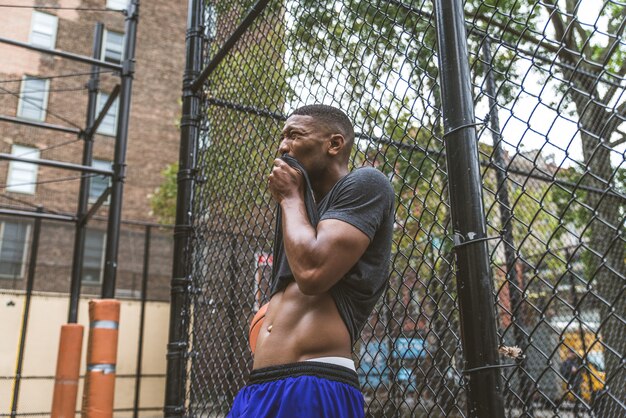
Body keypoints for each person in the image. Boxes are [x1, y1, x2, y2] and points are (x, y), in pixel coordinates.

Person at [227, 104, 395, 418]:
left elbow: (312, 273)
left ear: (334, 144)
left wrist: (290, 196)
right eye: (282, 137)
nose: (282, 146)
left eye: (294, 135)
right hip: (258, 388)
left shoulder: (368, 184)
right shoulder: (303, 214)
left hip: (312, 384)